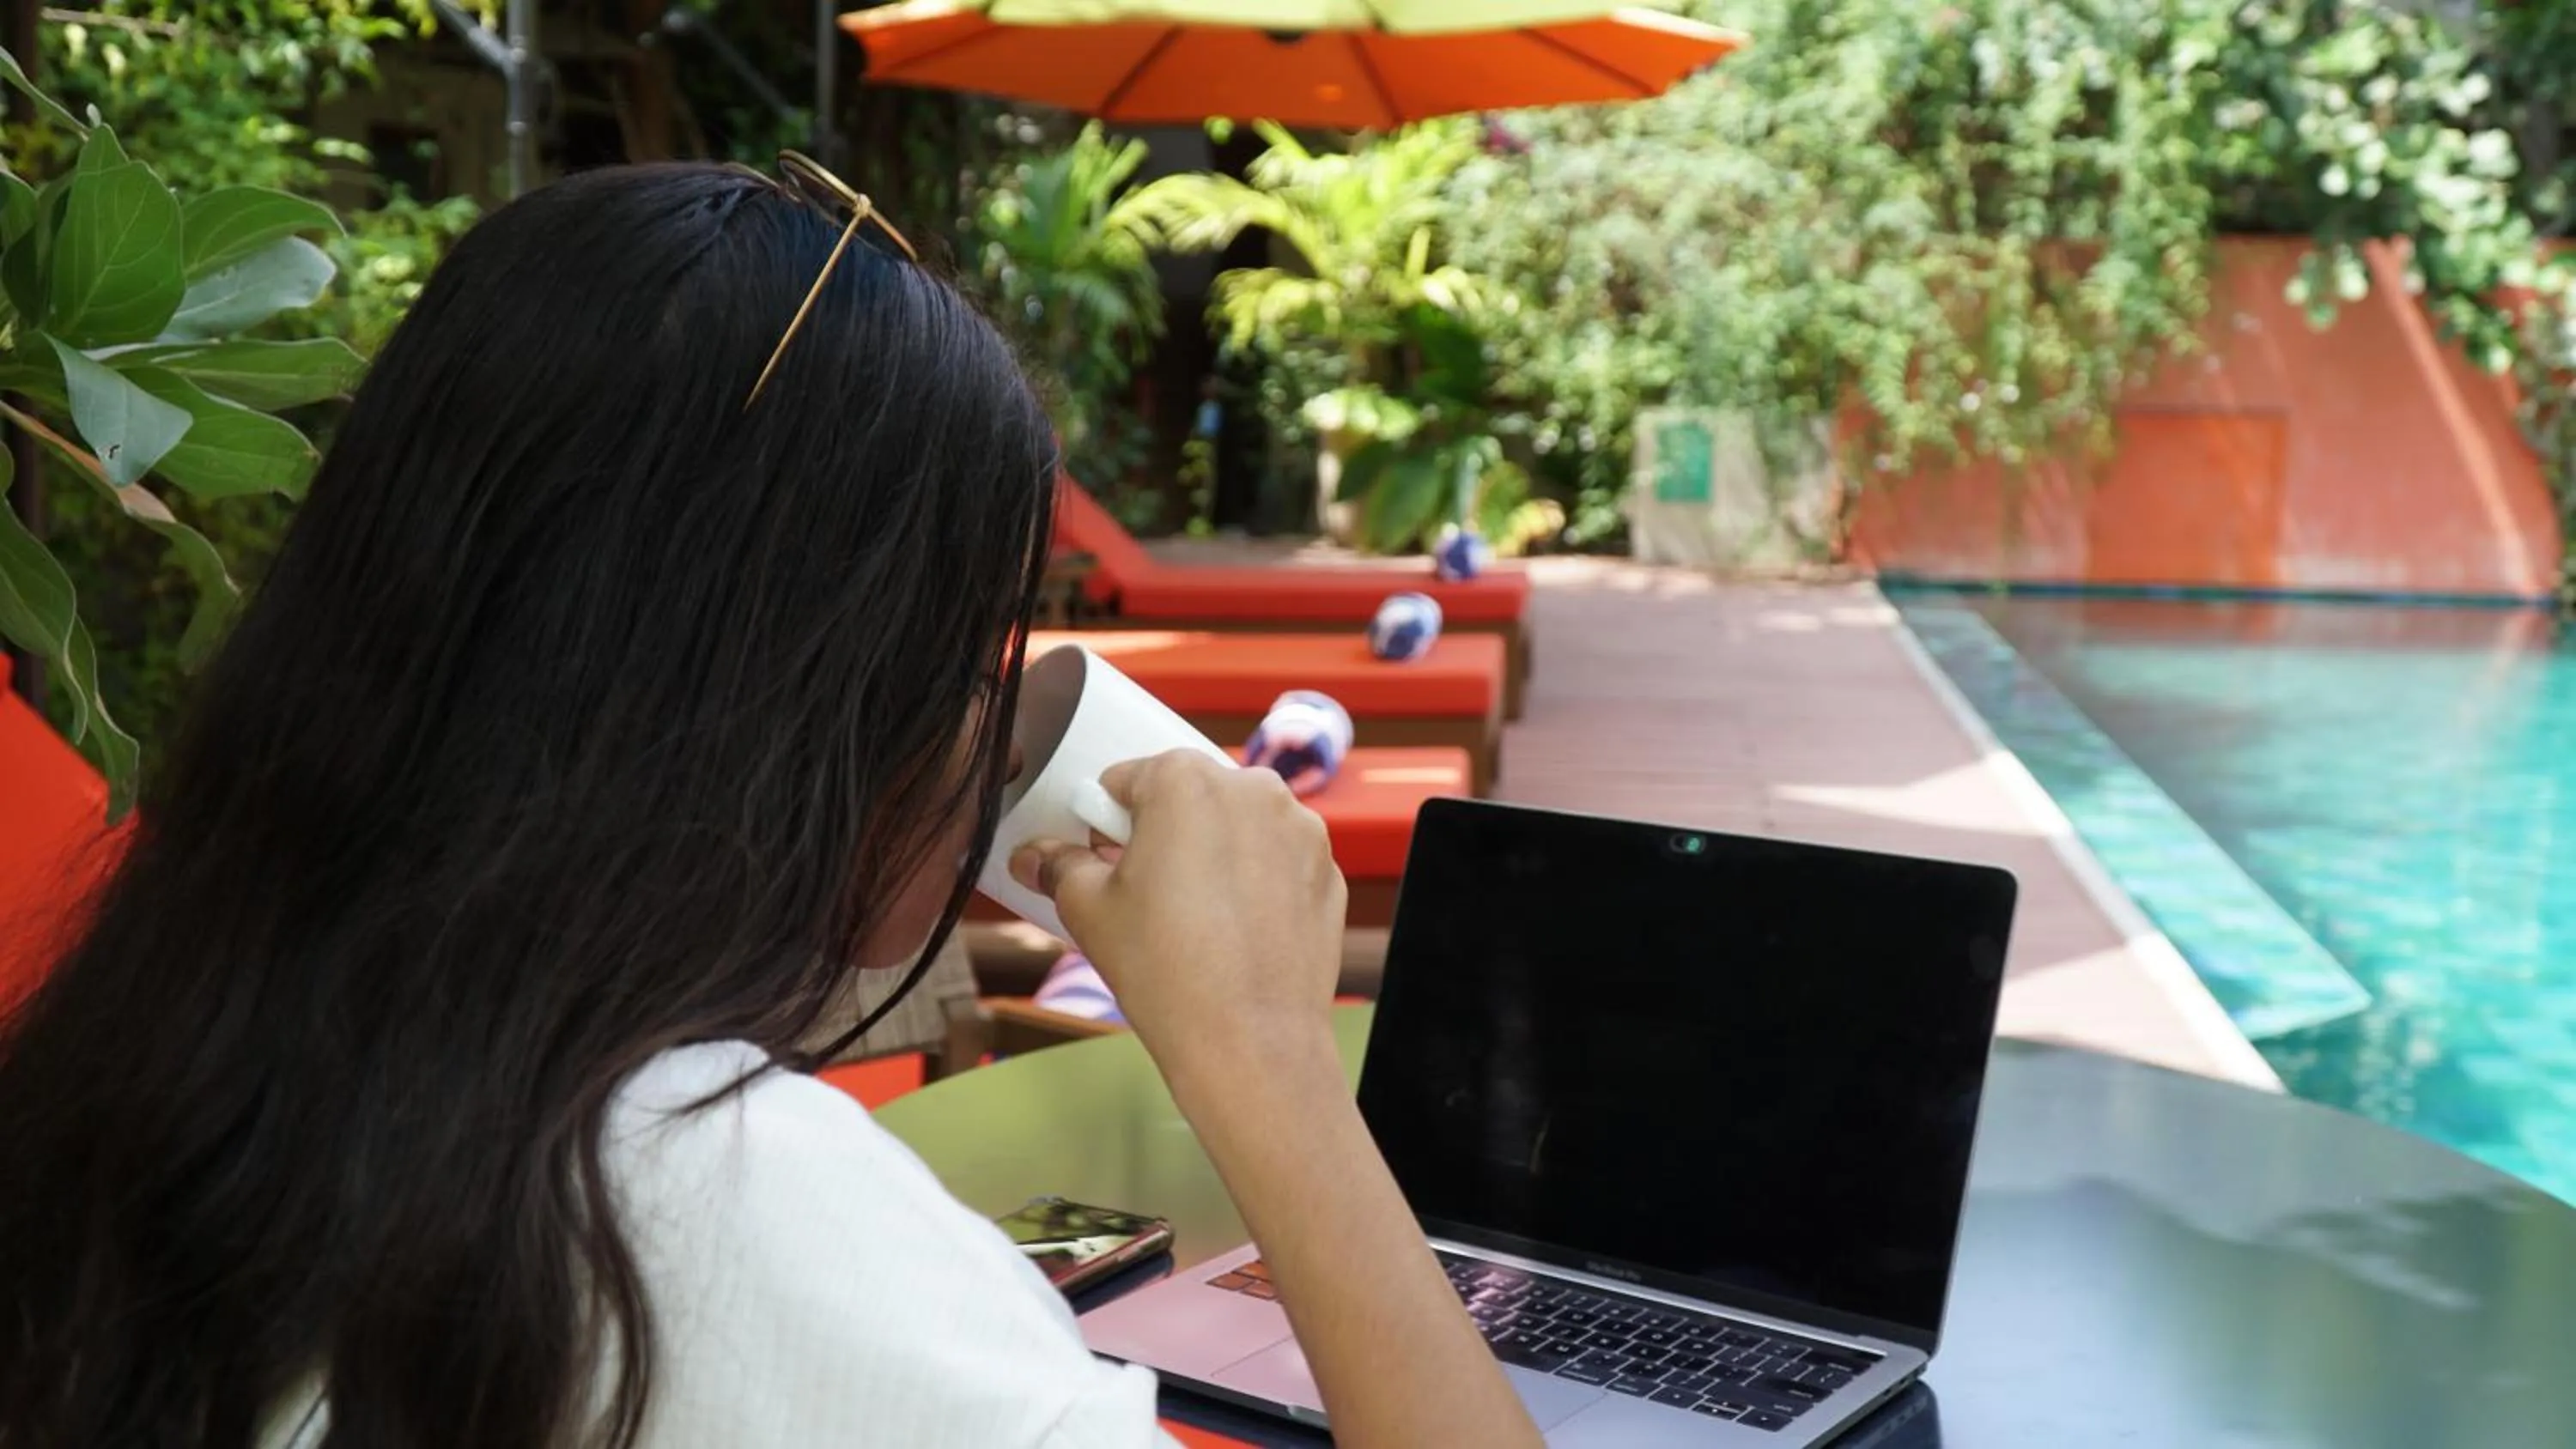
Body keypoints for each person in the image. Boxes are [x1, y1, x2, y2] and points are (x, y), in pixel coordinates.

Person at [0, 162, 1539, 1449]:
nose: (985, 711)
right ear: (796, 698)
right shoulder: (711, 1205)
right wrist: (1271, 1061)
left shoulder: (167, 1042)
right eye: (969, 640)